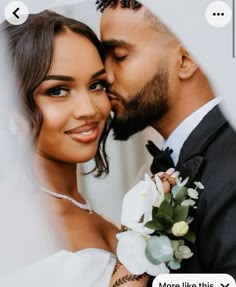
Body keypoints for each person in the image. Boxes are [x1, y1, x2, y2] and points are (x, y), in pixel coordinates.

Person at [1, 10, 149, 286]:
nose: (89, 109)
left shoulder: (89, 212)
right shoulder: (11, 221)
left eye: (96, 85)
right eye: (58, 90)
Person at [96, 0, 236, 278]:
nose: (105, 76)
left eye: (120, 55)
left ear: (186, 59)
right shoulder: (177, 159)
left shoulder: (230, 172)